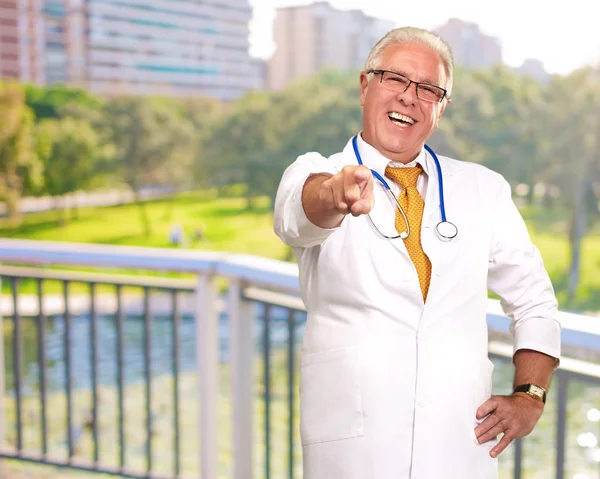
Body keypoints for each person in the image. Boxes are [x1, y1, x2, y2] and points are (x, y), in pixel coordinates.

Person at [273, 27, 560, 479]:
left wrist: (530, 395)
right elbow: (299, 214)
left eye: (429, 89)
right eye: (395, 79)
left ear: (441, 108)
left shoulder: (483, 188)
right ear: (365, 85)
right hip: (355, 452)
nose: (410, 97)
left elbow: (534, 302)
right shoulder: (317, 171)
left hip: (459, 447)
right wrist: (337, 193)